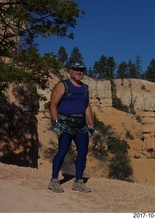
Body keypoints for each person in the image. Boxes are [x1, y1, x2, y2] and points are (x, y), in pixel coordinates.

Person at [48, 62, 95, 193]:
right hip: (65, 125)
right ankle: (54, 180)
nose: (80, 72)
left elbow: (87, 107)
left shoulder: (85, 88)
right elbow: (52, 105)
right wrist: (56, 124)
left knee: (83, 153)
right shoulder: (62, 85)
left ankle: (78, 181)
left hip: (81, 126)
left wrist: (91, 125)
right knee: (62, 152)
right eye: (77, 70)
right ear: (70, 71)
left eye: (82, 70)